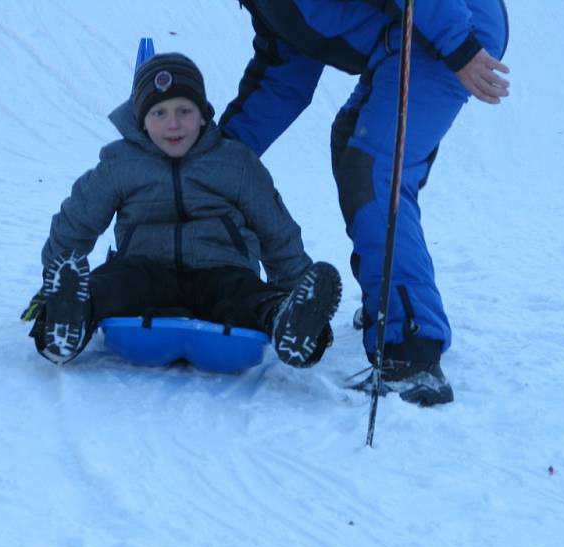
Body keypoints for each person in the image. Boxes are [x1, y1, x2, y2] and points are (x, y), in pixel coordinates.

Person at [219, 0, 511, 405]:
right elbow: (282, 77)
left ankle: (412, 351)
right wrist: (215, 159)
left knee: (375, 170)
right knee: (356, 147)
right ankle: (390, 302)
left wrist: (458, 45)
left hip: (446, 26)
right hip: (411, 35)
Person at [23, 53, 342, 369]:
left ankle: (290, 320)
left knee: (245, 294)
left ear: (203, 115)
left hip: (220, 270)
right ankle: (67, 318)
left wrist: (295, 284)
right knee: (112, 283)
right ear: (141, 119)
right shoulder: (120, 164)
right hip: (145, 269)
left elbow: (277, 232)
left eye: (184, 111)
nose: (172, 123)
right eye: (159, 112)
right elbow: (77, 221)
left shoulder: (235, 162)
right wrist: (52, 278)